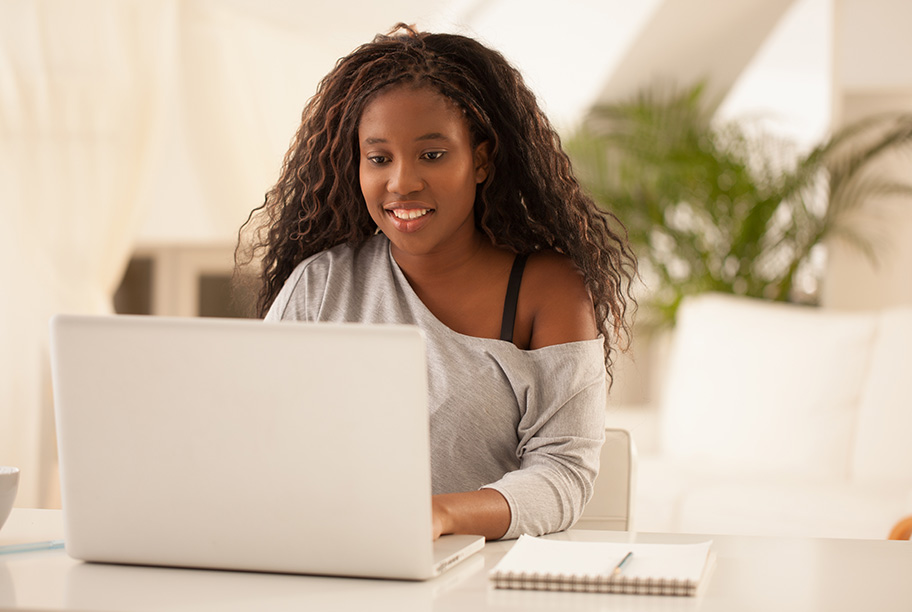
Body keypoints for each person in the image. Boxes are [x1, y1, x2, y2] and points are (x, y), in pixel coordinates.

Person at [236, 24, 637, 541]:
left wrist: (440, 516)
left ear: (482, 160)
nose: (402, 181)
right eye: (379, 158)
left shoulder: (547, 289)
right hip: (330, 558)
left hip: (480, 576)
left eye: (432, 154)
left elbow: (563, 472)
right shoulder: (320, 283)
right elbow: (252, 436)